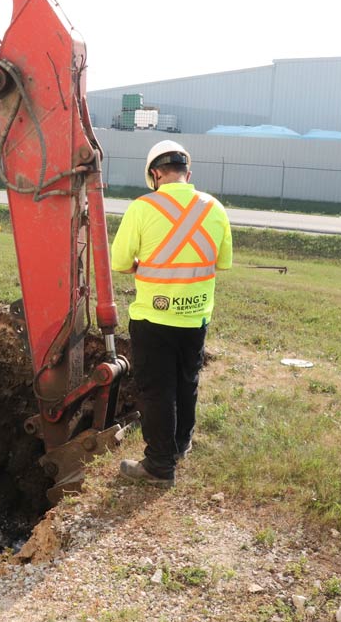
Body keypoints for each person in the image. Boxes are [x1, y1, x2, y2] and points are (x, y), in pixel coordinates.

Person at [110, 140, 233, 487]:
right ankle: (180, 444)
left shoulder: (142, 208)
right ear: (187, 173)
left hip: (154, 317)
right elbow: (222, 262)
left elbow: (120, 263)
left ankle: (159, 465)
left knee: (157, 390)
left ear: (155, 174)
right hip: (196, 316)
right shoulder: (215, 208)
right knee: (186, 380)